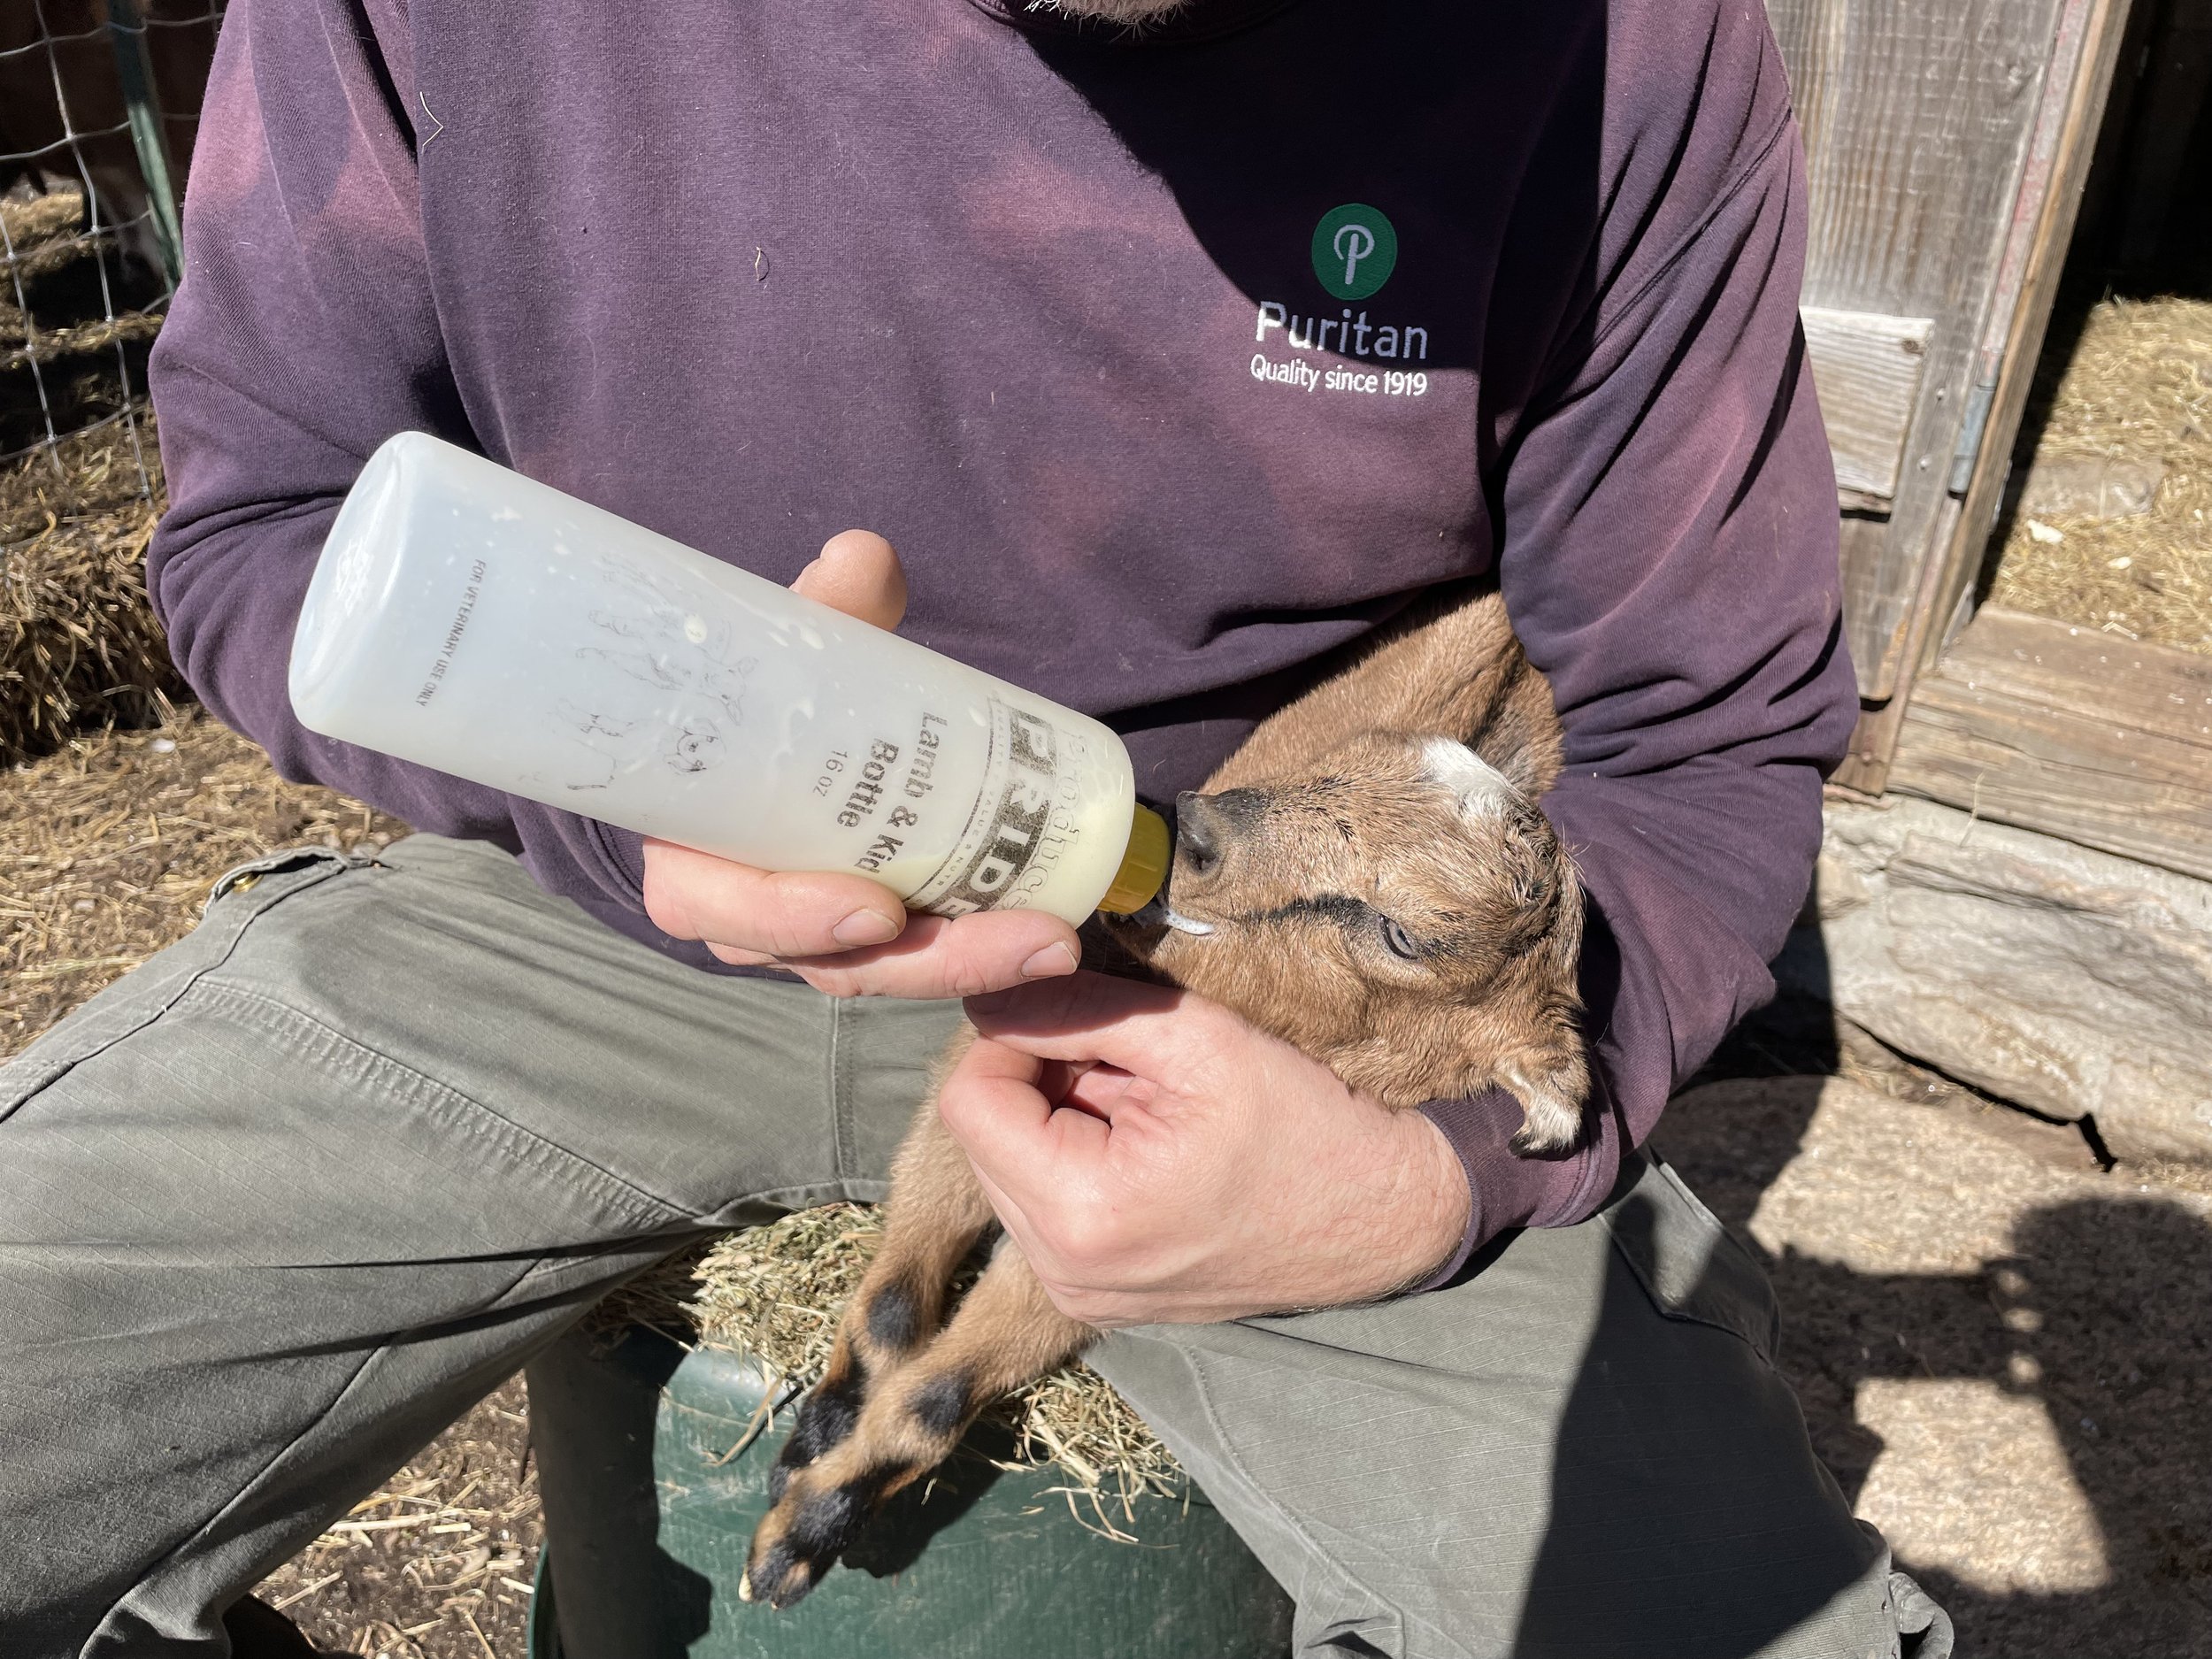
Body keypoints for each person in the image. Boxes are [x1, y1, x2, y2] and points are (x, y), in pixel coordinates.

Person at [0, 0, 1953, 1654]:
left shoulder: (1615, 42)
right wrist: (615, 801)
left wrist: (1438, 1180)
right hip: (578, 902)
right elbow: (265, 529)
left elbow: (1704, 724)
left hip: (1270, 982)